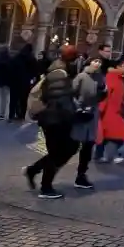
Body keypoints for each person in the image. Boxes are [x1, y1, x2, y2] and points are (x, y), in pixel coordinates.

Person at [23, 45, 79, 199]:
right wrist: (74, 113)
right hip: (54, 118)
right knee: (57, 152)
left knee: (68, 148)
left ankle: (34, 170)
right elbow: (59, 98)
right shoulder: (58, 73)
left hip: (57, 117)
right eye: (75, 56)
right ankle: (45, 188)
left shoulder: (62, 70)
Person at [70, 57, 105, 189]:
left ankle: (81, 175)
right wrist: (79, 106)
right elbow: (72, 93)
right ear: (89, 62)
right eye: (95, 61)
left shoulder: (101, 78)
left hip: (92, 114)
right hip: (80, 114)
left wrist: (103, 91)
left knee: (88, 146)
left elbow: (101, 96)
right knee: (72, 146)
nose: (97, 64)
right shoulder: (81, 76)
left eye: (99, 62)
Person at [97, 57, 124, 163]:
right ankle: (111, 155)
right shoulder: (112, 78)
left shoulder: (119, 77)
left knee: (109, 134)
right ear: (118, 67)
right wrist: (101, 109)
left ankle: (103, 155)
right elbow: (106, 95)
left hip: (116, 110)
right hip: (109, 111)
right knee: (117, 133)